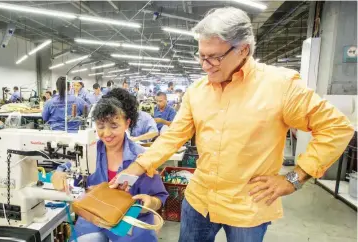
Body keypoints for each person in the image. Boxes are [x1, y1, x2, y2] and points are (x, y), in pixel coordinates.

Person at [112, 7, 355, 242]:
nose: (205, 65)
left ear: (243, 50)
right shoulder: (197, 92)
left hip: (247, 207)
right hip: (199, 201)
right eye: (201, 56)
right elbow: (173, 135)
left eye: (215, 57)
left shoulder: (280, 86)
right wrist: (136, 168)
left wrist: (295, 178)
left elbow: (336, 128)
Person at [52, 88, 168, 242]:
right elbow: (65, 169)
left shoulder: (141, 158)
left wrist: (151, 202)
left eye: (114, 126)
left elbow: (159, 198)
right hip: (94, 217)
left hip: (129, 224)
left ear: (127, 123)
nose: (106, 133)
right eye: (100, 126)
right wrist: (58, 174)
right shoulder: (88, 152)